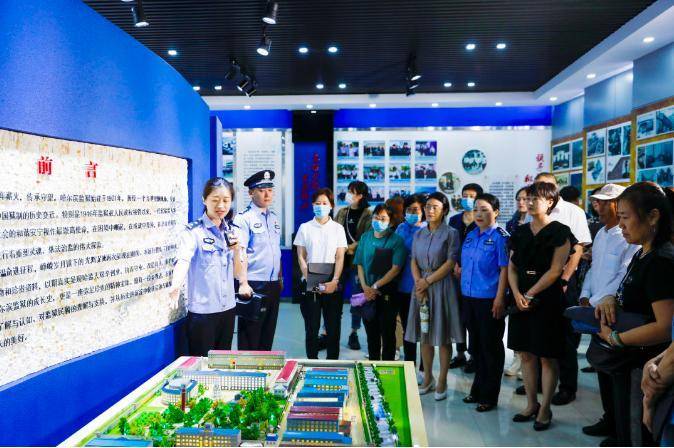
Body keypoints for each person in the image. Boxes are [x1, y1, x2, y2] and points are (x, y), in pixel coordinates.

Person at [593, 182, 674, 445]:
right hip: (630, 361)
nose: (621, 225)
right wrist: (610, 299)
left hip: (648, 365)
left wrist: (616, 338)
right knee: (627, 428)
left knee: (640, 432)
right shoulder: (642, 254)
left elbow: (665, 326)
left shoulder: (661, 261)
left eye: (626, 218)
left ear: (652, 216)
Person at [508, 181, 573, 431]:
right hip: (521, 299)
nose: (530, 202)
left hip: (547, 300)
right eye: (528, 198)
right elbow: (512, 267)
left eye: (536, 198)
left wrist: (530, 294)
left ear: (550, 202)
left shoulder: (560, 232)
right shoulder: (520, 232)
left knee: (547, 357)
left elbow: (556, 270)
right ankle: (531, 404)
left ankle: (545, 408)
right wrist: (517, 294)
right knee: (525, 354)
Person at [578, 184, 640, 442]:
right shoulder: (602, 234)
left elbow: (623, 275)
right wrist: (585, 295)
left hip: (614, 311)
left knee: (617, 375)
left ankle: (620, 429)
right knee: (601, 368)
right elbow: (594, 269)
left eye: (606, 202)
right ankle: (609, 418)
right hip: (595, 309)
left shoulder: (628, 237)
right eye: (597, 202)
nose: (600, 207)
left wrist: (599, 300)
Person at [527, 173, 592, 405]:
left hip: (564, 281)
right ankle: (537, 383)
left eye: (548, 185)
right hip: (537, 282)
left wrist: (563, 280)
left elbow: (578, 249)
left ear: (555, 189)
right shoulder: (532, 211)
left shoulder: (573, 212)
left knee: (565, 337)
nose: (542, 190)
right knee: (537, 333)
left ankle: (567, 387)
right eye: (538, 186)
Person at [169, 177, 240, 356]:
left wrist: (237, 251)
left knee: (223, 363)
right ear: (204, 200)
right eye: (215, 200)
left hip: (228, 309)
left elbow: (237, 274)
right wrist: (176, 285)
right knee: (202, 364)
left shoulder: (231, 232)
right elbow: (183, 260)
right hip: (203, 313)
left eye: (226, 200)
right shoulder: (193, 232)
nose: (221, 206)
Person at [405, 192, 463, 401]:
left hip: (442, 286)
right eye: (427, 206)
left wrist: (427, 281)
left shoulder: (451, 233)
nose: (430, 210)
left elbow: (450, 262)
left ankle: (442, 380)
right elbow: (413, 260)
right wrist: (419, 282)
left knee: (443, 337)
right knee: (424, 335)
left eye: (435, 207)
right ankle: (428, 377)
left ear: (444, 210)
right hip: (421, 287)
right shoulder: (419, 233)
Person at [460, 193, 509, 412]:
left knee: (491, 348)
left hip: (490, 299)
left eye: (485, 210)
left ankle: (489, 396)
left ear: (496, 212)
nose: (479, 214)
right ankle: (477, 389)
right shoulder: (471, 234)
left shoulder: (501, 237)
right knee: (476, 347)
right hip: (469, 297)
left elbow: (505, 269)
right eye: (476, 210)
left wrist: (500, 298)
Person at [294, 188, 347, 360]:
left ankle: (333, 363)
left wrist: (335, 280)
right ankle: (312, 361)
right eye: (317, 203)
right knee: (312, 327)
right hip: (311, 279)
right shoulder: (305, 228)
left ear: (331, 206)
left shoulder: (338, 229)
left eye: (325, 203)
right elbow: (301, 256)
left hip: (332, 281)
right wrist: (310, 278)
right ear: (312, 205)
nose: (321, 206)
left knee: (333, 327)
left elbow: (340, 256)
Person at [233, 170, 283, 350]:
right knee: (250, 336)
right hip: (253, 284)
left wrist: (280, 277)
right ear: (251, 192)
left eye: (270, 189)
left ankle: (265, 366)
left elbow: (275, 251)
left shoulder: (274, 218)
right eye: (261, 190)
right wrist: (243, 283)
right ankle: (247, 368)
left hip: (273, 284)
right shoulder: (244, 218)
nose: (267, 194)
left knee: (268, 334)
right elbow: (240, 252)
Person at [354, 204, 407, 360]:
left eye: (383, 218)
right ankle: (373, 364)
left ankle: (388, 366)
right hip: (367, 293)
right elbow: (359, 263)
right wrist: (365, 287)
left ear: (391, 222)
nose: (378, 221)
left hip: (387, 292)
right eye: (376, 217)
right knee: (371, 333)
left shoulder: (396, 241)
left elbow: (396, 268)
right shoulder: (365, 237)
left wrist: (376, 286)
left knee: (388, 333)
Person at [448, 183, 484, 372]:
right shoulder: (454, 220)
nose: (467, 199)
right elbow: (450, 246)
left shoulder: (481, 220)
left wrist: (466, 268)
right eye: (464, 195)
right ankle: (460, 353)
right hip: (454, 275)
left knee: (472, 318)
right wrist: (454, 265)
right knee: (458, 317)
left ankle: (474, 356)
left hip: (474, 277)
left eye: (471, 196)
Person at [334, 180, 372, 351]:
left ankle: (353, 333)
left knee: (357, 299)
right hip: (340, 261)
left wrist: (349, 248)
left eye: (352, 192)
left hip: (358, 264)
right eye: (348, 191)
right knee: (334, 297)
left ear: (360, 196)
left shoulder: (368, 214)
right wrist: (342, 249)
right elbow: (333, 232)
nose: (348, 194)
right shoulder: (342, 212)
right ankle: (328, 331)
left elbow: (367, 237)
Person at [396, 194, 427, 382]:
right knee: (408, 330)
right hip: (402, 287)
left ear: (423, 211)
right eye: (409, 210)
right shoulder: (400, 228)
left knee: (424, 329)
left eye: (416, 210)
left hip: (422, 286)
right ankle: (409, 365)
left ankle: (424, 369)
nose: (412, 213)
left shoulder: (427, 229)